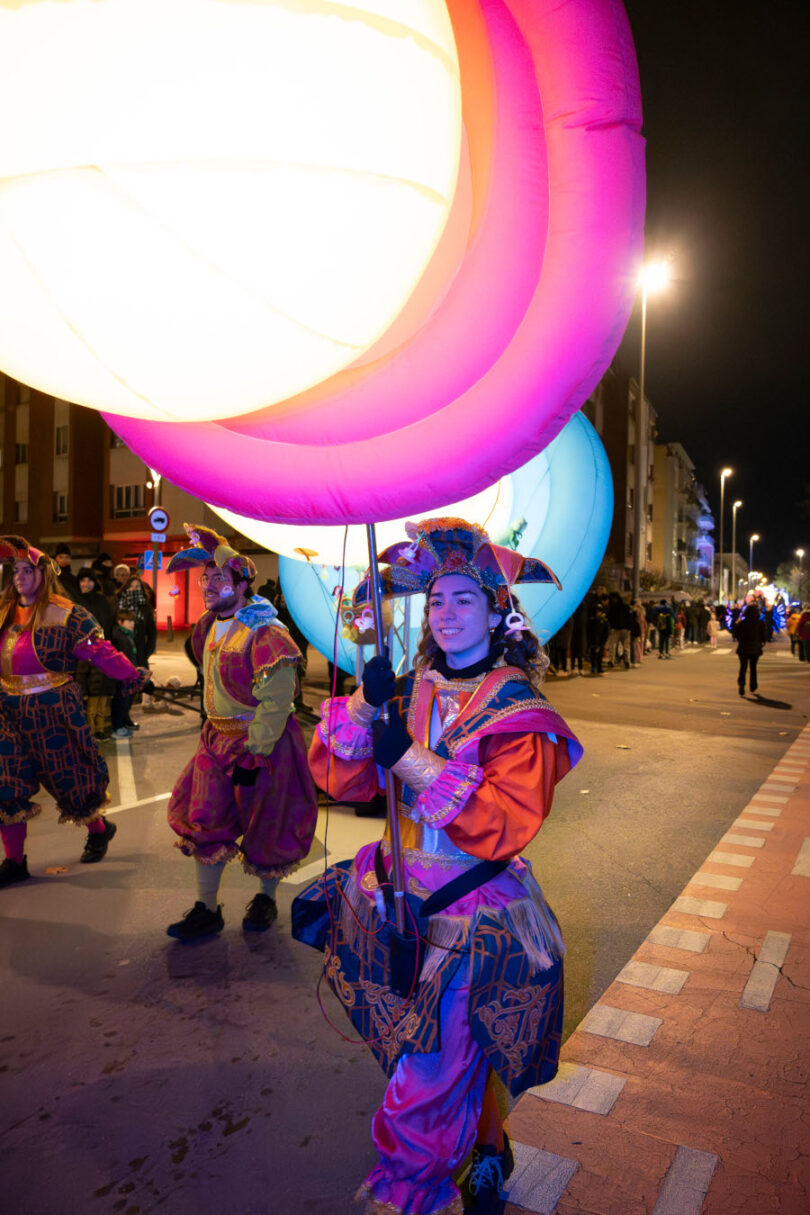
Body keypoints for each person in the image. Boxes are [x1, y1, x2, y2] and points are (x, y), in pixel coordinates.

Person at [297, 518, 582, 1215]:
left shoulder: (517, 708)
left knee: (429, 1067)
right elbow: (338, 774)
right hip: (393, 900)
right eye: (435, 601)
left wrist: (409, 758)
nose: (446, 613)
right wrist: (367, 702)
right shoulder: (408, 689)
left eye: (462, 598)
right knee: (431, 1050)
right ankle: (489, 1144)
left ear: (496, 609)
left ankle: (409, 1190)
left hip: (467, 912)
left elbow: (502, 820)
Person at [164, 525, 318, 940]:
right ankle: (206, 908)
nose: (208, 585)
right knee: (205, 818)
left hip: (262, 745)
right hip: (215, 740)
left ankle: (266, 899)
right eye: (205, 578)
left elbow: (278, 700)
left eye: (219, 578)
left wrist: (257, 749)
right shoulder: (206, 626)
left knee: (269, 823)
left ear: (242, 583)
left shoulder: (267, 633)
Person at [0, 537, 145, 888]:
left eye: (27, 570)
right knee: (6, 785)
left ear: (45, 573)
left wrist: (131, 675)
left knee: (72, 779)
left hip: (52, 708)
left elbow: (101, 651)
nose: (20, 577)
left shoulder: (67, 613)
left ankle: (99, 829)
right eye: (15, 570)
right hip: (8, 711)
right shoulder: (3, 611)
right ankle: (14, 861)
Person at [75, 565, 116, 739]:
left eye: (89, 580)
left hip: (100, 649)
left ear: (94, 582)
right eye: (83, 580)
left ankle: (99, 728)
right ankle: (88, 731)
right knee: (85, 693)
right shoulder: (74, 601)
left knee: (100, 692)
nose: (86, 583)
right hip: (81, 651)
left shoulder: (102, 601)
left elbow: (109, 623)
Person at [733, 601, 768, 696]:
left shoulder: (742, 623)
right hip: (755, 648)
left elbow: (735, 634)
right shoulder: (760, 623)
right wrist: (762, 642)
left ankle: (741, 684)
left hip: (743, 648)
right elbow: (764, 636)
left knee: (743, 667)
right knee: (753, 667)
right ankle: (753, 685)